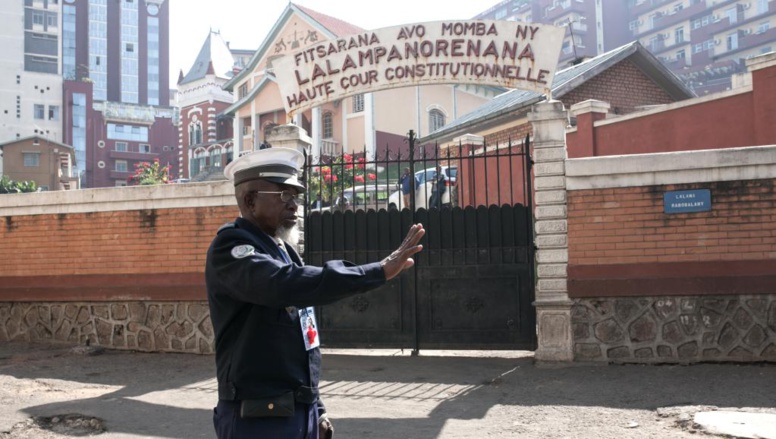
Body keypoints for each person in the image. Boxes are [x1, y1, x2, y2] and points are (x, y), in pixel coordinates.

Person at [206, 146, 425, 439]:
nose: (295, 204)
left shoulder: (282, 250)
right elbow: (283, 283)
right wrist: (376, 271)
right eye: (284, 195)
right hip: (258, 419)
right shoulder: (231, 249)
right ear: (250, 200)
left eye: (296, 195)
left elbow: (303, 340)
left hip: (297, 413)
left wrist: (316, 408)